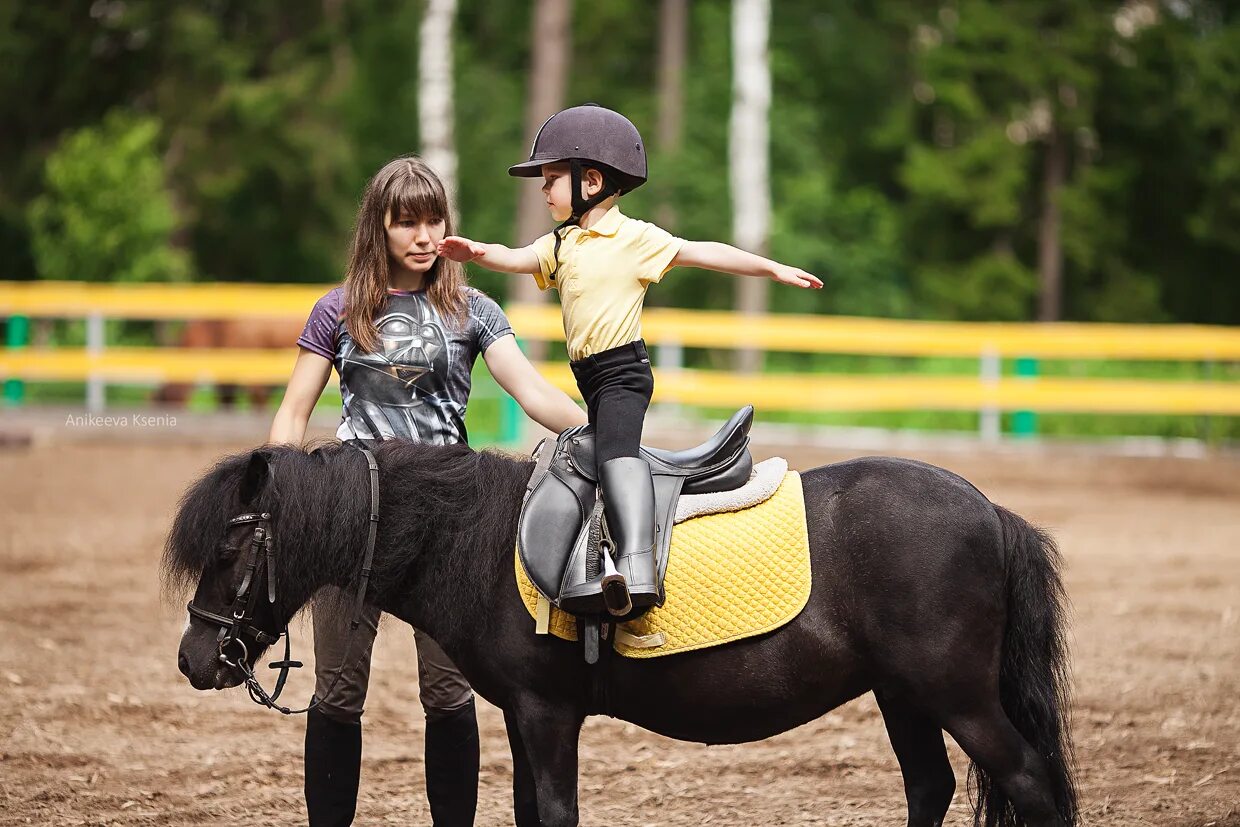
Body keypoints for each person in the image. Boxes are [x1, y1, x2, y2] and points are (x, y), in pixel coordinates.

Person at [268, 155, 586, 827]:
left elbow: (530, 392)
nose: (420, 234)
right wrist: (277, 484)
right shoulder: (339, 309)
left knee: (448, 693)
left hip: (450, 525)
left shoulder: (474, 310)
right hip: (352, 516)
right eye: (404, 220)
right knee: (338, 693)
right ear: (377, 227)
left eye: (432, 218)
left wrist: (603, 430)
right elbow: (295, 412)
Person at [438, 103, 822, 616]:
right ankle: (592, 556)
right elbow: (516, 257)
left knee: (618, 455)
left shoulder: (635, 238)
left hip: (622, 373)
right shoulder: (562, 244)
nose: (544, 189)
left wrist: (772, 269)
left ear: (590, 181)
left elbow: (703, 251)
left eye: (552, 178)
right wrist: (477, 252)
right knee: (592, 458)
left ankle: (638, 566)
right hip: (590, 378)